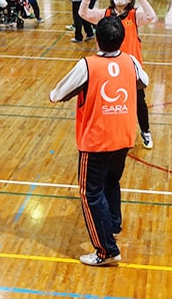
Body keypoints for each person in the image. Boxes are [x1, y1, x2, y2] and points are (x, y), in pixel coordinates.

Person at [50, 16, 149, 266]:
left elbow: (56, 94)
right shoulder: (131, 61)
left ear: (97, 38)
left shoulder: (87, 65)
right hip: (124, 136)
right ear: (122, 39)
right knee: (111, 181)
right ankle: (112, 224)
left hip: (96, 140)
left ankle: (106, 250)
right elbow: (143, 82)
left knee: (90, 193)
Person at [80, 0, 157, 149]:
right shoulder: (105, 14)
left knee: (139, 102)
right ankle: (107, 132)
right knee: (107, 103)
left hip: (130, 68)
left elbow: (151, 16)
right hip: (107, 68)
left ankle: (145, 131)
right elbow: (83, 13)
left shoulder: (135, 15)